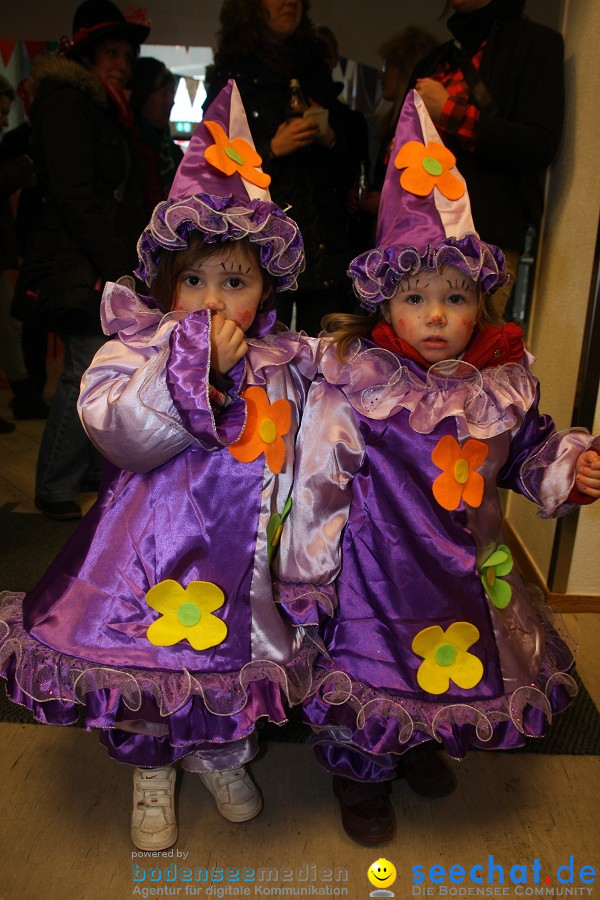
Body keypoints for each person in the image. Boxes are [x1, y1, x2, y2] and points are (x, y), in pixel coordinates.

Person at [0, 79, 319, 853]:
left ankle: (218, 751)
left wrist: (308, 553)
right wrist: (187, 365)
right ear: (167, 284)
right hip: (149, 558)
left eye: (234, 282)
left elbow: (310, 457)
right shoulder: (134, 347)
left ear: (265, 289)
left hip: (241, 560)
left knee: (230, 663)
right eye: (195, 280)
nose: (212, 301)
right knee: (152, 665)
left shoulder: (286, 363)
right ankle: (152, 769)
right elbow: (118, 432)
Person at [274, 91, 600, 846]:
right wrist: (306, 573)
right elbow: (319, 476)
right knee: (377, 670)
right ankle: (362, 774)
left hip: (463, 572)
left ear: (481, 305)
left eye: (455, 298)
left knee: (443, 667)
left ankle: (418, 740)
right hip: (377, 576)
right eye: (415, 298)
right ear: (385, 302)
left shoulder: (500, 379)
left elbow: (527, 449)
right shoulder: (360, 379)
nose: (435, 315)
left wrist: (568, 466)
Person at [17, 0, 149, 520]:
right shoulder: (71, 103)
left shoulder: (106, 107)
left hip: (93, 260)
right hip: (81, 264)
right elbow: (75, 198)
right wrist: (119, 263)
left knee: (98, 367)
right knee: (82, 370)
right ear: (86, 56)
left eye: (126, 54)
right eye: (109, 53)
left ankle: (87, 474)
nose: (120, 62)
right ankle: (54, 485)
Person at [411, 0, 565, 318]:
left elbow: (539, 144)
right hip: (417, 236)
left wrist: (450, 113)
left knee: (473, 361)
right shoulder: (435, 61)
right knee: (408, 359)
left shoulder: (535, 43)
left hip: (486, 239)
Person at [204, 0, 349, 335]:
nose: (290, 2)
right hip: (259, 241)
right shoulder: (231, 75)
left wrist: (329, 137)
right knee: (257, 351)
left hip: (321, 240)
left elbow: (349, 163)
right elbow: (213, 167)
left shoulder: (315, 68)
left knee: (324, 354)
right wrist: (271, 149)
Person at [0, 75, 48, 431]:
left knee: (16, 322)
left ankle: (26, 388)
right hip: (24, 245)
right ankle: (24, 390)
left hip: (17, 247)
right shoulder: (22, 145)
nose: (5, 120)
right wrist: (29, 165)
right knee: (13, 323)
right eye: (1, 113)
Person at [358, 27, 439, 226]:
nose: (380, 75)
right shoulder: (390, 121)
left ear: (406, 70)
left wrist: (385, 200)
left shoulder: (419, 126)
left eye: (387, 67)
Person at [129, 56, 183, 216]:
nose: (171, 101)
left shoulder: (171, 151)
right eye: (163, 92)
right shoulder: (128, 145)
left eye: (171, 92)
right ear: (143, 94)